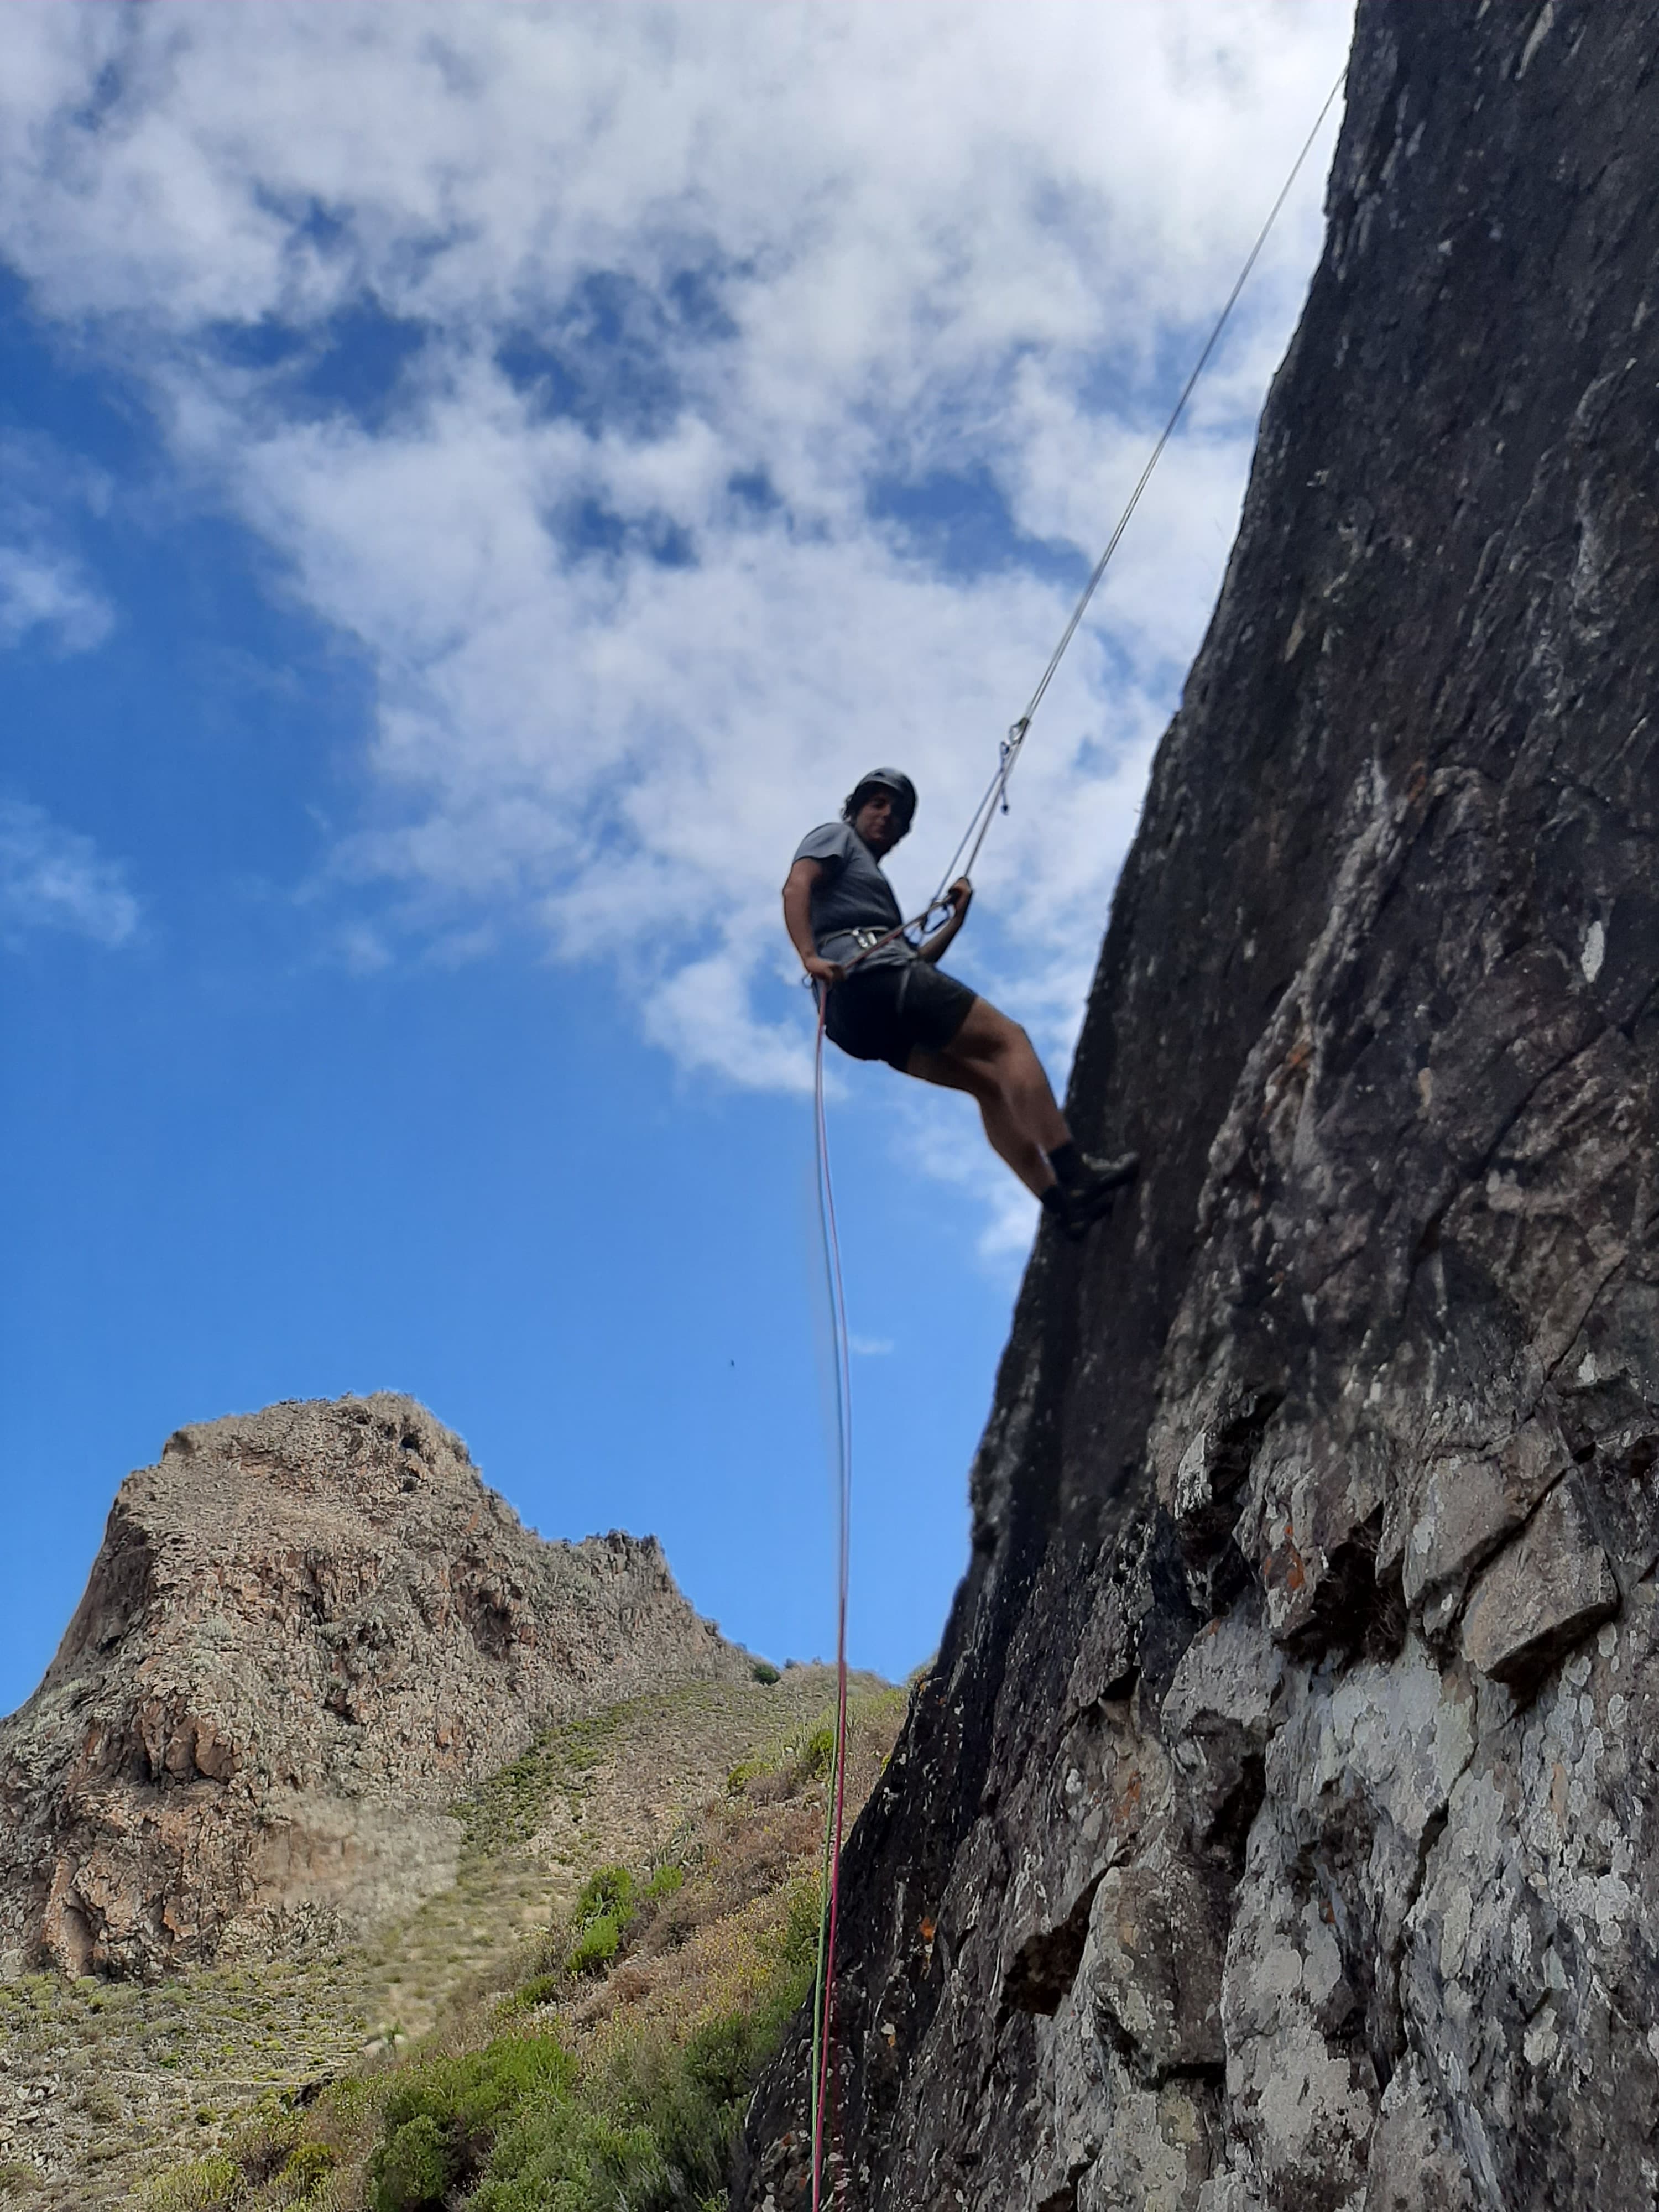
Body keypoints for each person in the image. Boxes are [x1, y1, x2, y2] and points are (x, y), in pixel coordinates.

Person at [783, 767, 1138, 1240]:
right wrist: (808, 955)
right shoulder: (835, 837)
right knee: (1009, 1042)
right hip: (870, 980)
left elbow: (916, 966)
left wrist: (956, 920)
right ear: (857, 807)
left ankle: (1062, 1208)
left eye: (897, 812)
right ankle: (1076, 1171)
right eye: (877, 803)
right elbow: (797, 885)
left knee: (988, 1087)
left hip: (858, 1016)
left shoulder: (869, 886)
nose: (886, 815)